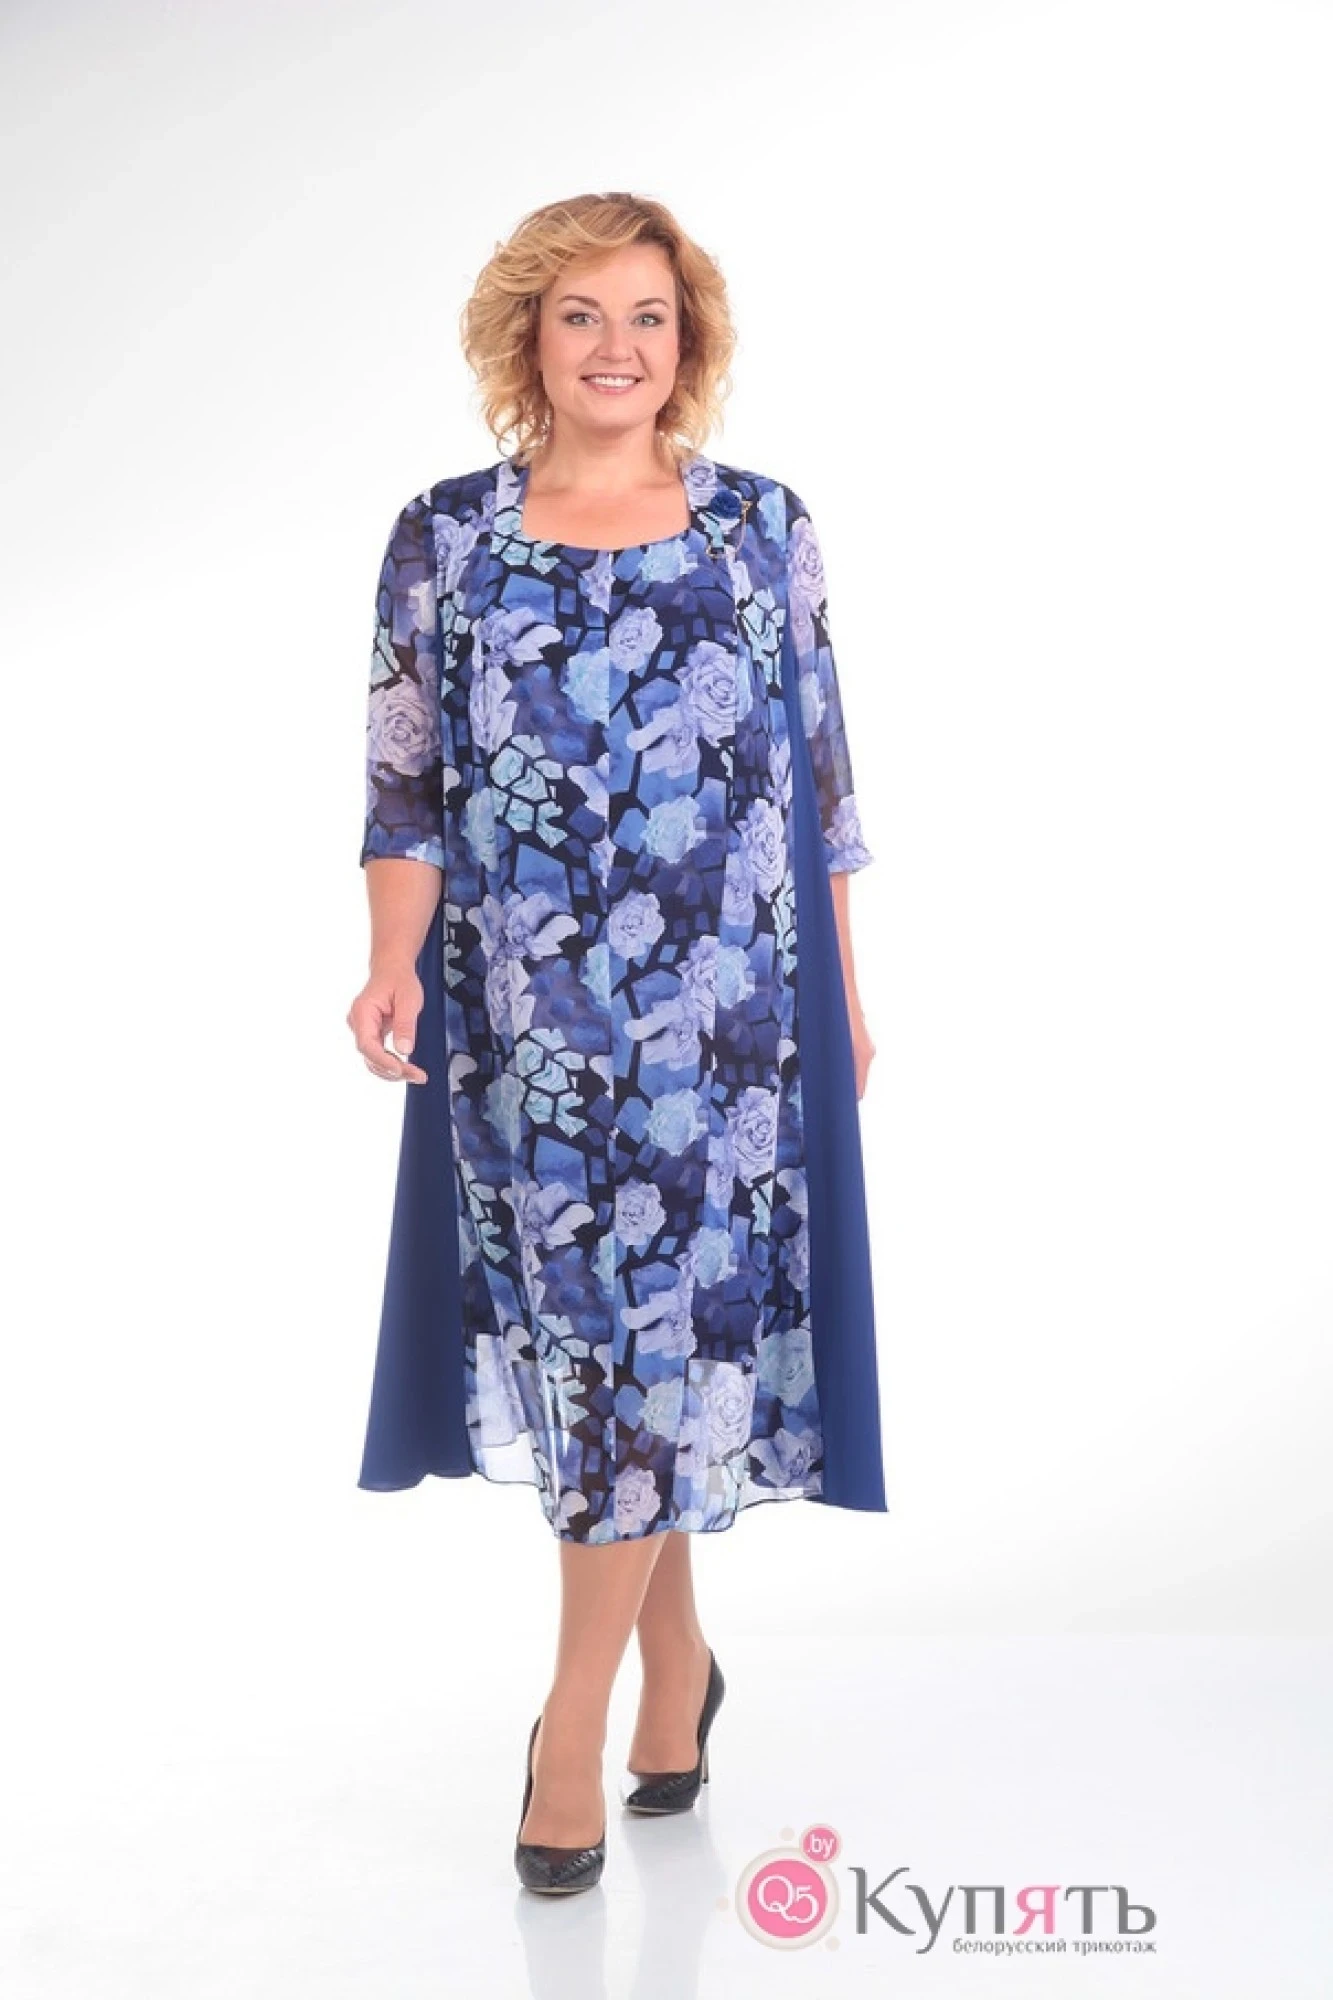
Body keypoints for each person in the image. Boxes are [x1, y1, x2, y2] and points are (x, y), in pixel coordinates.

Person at [346, 191, 888, 1895]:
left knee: (657, 1356)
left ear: (687, 340)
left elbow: (821, 781)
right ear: (530, 336)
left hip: (732, 1026)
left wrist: (845, 994)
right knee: (607, 1361)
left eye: (647, 315)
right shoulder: (446, 537)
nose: (616, 346)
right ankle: (678, 1666)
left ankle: (572, 1722)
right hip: (527, 1031)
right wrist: (390, 962)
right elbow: (405, 781)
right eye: (581, 313)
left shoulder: (760, 528)